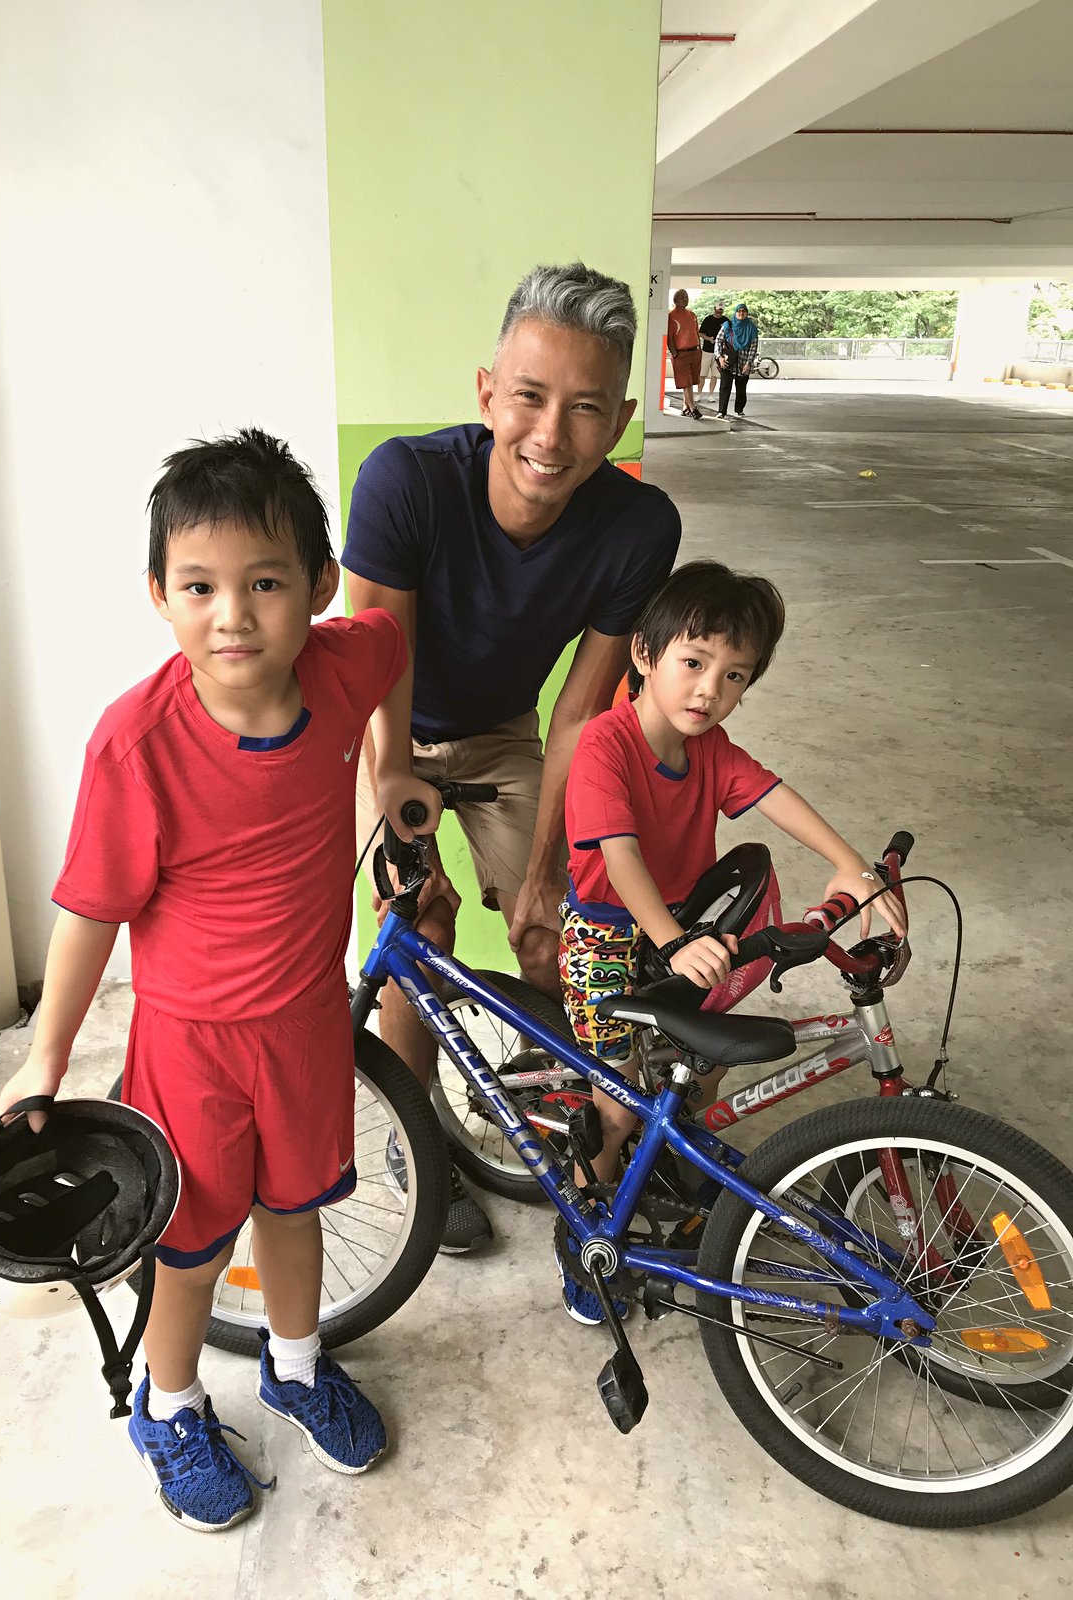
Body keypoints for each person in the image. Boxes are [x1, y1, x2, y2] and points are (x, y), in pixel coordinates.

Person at [0, 429, 438, 1531]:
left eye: (265, 583)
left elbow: (391, 646)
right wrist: (44, 1059)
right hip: (189, 1046)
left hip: (304, 1027)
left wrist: (394, 765)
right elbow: (91, 909)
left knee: (295, 1213)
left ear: (318, 589)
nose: (232, 614)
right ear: (159, 594)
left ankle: (294, 1365)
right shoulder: (135, 744)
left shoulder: (344, 667)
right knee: (190, 1248)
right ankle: (169, 1401)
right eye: (200, 585)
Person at [344, 262, 683, 1253]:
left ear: (618, 420)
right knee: (418, 927)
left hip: (502, 732)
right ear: (487, 390)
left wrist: (539, 874)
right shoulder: (405, 481)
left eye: (584, 408)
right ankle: (426, 1143)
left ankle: (581, 1128)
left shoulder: (638, 526)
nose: (550, 432)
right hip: (385, 724)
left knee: (559, 929)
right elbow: (374, 668)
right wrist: (404, 819)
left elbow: (584, 704)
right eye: (530, 396)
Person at [556, 560, 907, 1325]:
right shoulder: (604, 746)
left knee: (700, 1072)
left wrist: (852, 865)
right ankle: (586, 1223)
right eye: (693, 663)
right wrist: (675, 939)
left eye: (734, 674)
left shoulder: (709, 748)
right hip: (612, 936)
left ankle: (677, 1159)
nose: (709, 690)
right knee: (615, 1108)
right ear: (644, 657)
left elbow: (776, 796)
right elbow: (621, 855)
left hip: (687, 927)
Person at [716, 302, 759, 419]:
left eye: (743, 311)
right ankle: (721, 412)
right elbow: (718, 342)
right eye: (739, 311)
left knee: (741, 388)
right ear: (735, 313)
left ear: (747, 313)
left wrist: (749, 363)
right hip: (727, 362)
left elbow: (753, 347)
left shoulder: (751, 328)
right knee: (724, 387)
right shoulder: (727, 325)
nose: (741, 313)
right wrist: (719, 357)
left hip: (743, 363)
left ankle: (739, 409)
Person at [666, 287, 702, 419]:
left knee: (691, 381)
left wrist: (699, 349)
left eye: (687, 297)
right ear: (675, 300)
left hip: (695, 352)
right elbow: (669, 337)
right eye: (682, 297)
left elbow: (696, 333)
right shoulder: (670, 316)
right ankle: (693, 408)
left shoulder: (692, 315)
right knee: (685, 382)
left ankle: (685, 407)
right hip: (681, 353)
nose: (685, 299)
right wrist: (674, 353)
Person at [697, 298, 726, 400]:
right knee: (702, 374)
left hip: (719, 352)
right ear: (714, 309)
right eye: (717, 311)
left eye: (721, 311)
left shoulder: (726, 321)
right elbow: (700, 333)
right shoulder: (708, 319)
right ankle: (699, 394)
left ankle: (711, 394)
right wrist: (709, 339)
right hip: (707, 350)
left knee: (715, 375)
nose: (719, 313)